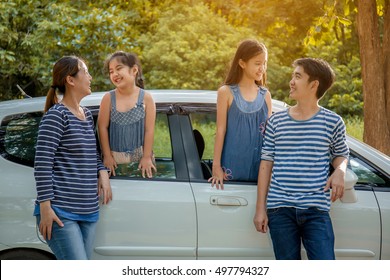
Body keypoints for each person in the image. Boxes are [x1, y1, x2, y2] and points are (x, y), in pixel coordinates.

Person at [253, 58, 350, 260]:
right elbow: (266, 164)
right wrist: (260, 209)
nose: (291, 81)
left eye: (298, 76)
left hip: (316, 210)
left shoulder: (333, 122)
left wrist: (340, 171)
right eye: (293, 76)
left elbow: (341, 153)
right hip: (280, 209)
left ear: (314, 84)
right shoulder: (276, 121)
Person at [34, 56, 112, 260]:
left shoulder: (85, 114)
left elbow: (91, 153)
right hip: (61, 213)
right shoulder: (56, 115)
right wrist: (45, 207)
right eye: (85, 72)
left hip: (88, 211)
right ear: (71, 80)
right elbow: (42, 164)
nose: (90, 76)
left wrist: (102, 171)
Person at [208, 39, 272, 189]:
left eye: (264, 63)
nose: (262, 68)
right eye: (257, 63)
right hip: (231, 168)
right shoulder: (226, 92)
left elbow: (270, 137)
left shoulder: (265, 95)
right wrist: (216, 166)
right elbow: (220, 130)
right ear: (242, 63)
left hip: (260, 171)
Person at [98, 51, 156, 178]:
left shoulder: (146, 98)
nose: (114, 74)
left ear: (134, 70)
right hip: (114, 163)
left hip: (141, 163)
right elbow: (102, 128)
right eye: (111, 71)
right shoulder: (108, 98)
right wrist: (107, 156)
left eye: (119, 69)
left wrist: (146, 157)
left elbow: (149, 130)